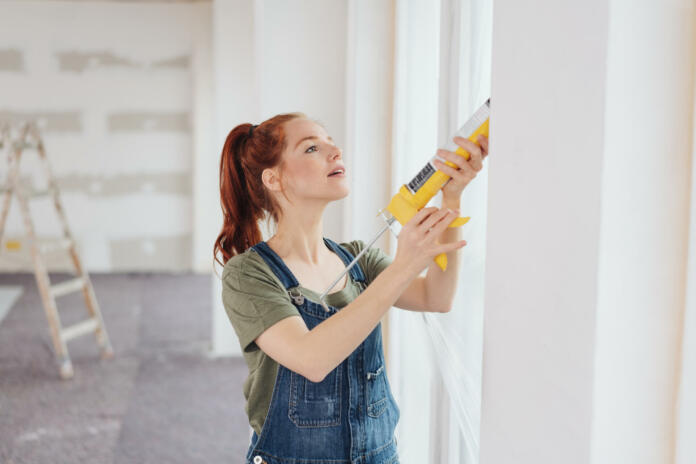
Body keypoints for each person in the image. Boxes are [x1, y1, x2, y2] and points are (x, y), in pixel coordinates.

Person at [214, 112, 488, 464]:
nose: (335, 150)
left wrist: (451, 199)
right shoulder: (248, 275)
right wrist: (404, 264)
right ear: (274, 178)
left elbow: (436, 297)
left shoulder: (359, 258)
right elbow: (311, 360)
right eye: (312, 147)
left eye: (331, 141)